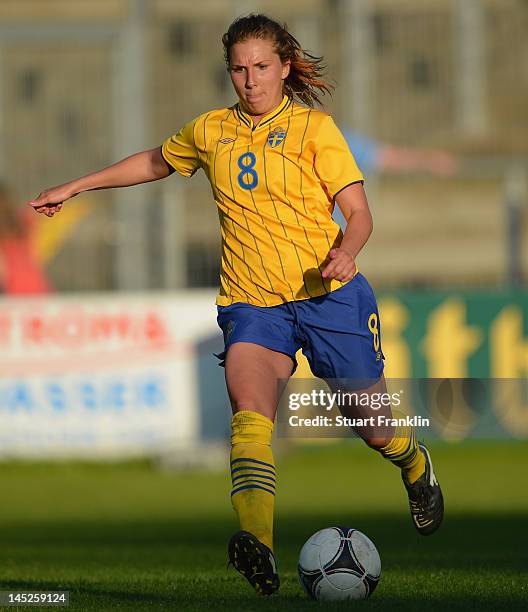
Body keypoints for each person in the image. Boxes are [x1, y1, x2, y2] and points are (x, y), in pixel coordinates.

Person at [27, 14, 443, 597]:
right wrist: (76, 186)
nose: (250, 80)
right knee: (249, 416)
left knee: (372, 427)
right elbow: (154, 161)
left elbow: (360, 211)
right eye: (239, 69)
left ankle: (414, 463)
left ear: (285, 66)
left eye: (261, 67)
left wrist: (347, 252)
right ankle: (260, 548)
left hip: (328, 295)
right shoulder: (210, 130)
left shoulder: (315, 130)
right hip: (252, 303)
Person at [0, 183, 51, 295]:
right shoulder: (24, 220)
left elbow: (3, 270)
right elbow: (35, 253)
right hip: (37, 283)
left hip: (13, 288)